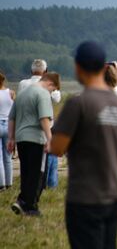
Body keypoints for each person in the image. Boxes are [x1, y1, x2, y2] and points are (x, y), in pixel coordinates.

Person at [50, 41, 117, 249]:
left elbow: (56, 148)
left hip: (85, 197)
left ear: (78, 66)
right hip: (115, 195)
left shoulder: (78, 103)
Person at [8, 72, 60, 215]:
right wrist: (50, 139)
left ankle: (22, 201)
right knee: (36, 174)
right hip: (36, 138)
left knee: (26, 172)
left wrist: (11, 138)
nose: (52, 92)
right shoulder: (43, 94)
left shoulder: (23, 93)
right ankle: (30, 206)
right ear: (50, 84)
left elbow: (12, 117)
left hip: (21, 138)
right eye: (53, 89)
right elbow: (44, 119)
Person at [0, 72, 15, 190]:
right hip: (8, 126)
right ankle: (9, 183)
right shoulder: (11, 93)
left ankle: (1, 184)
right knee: (8, 156)